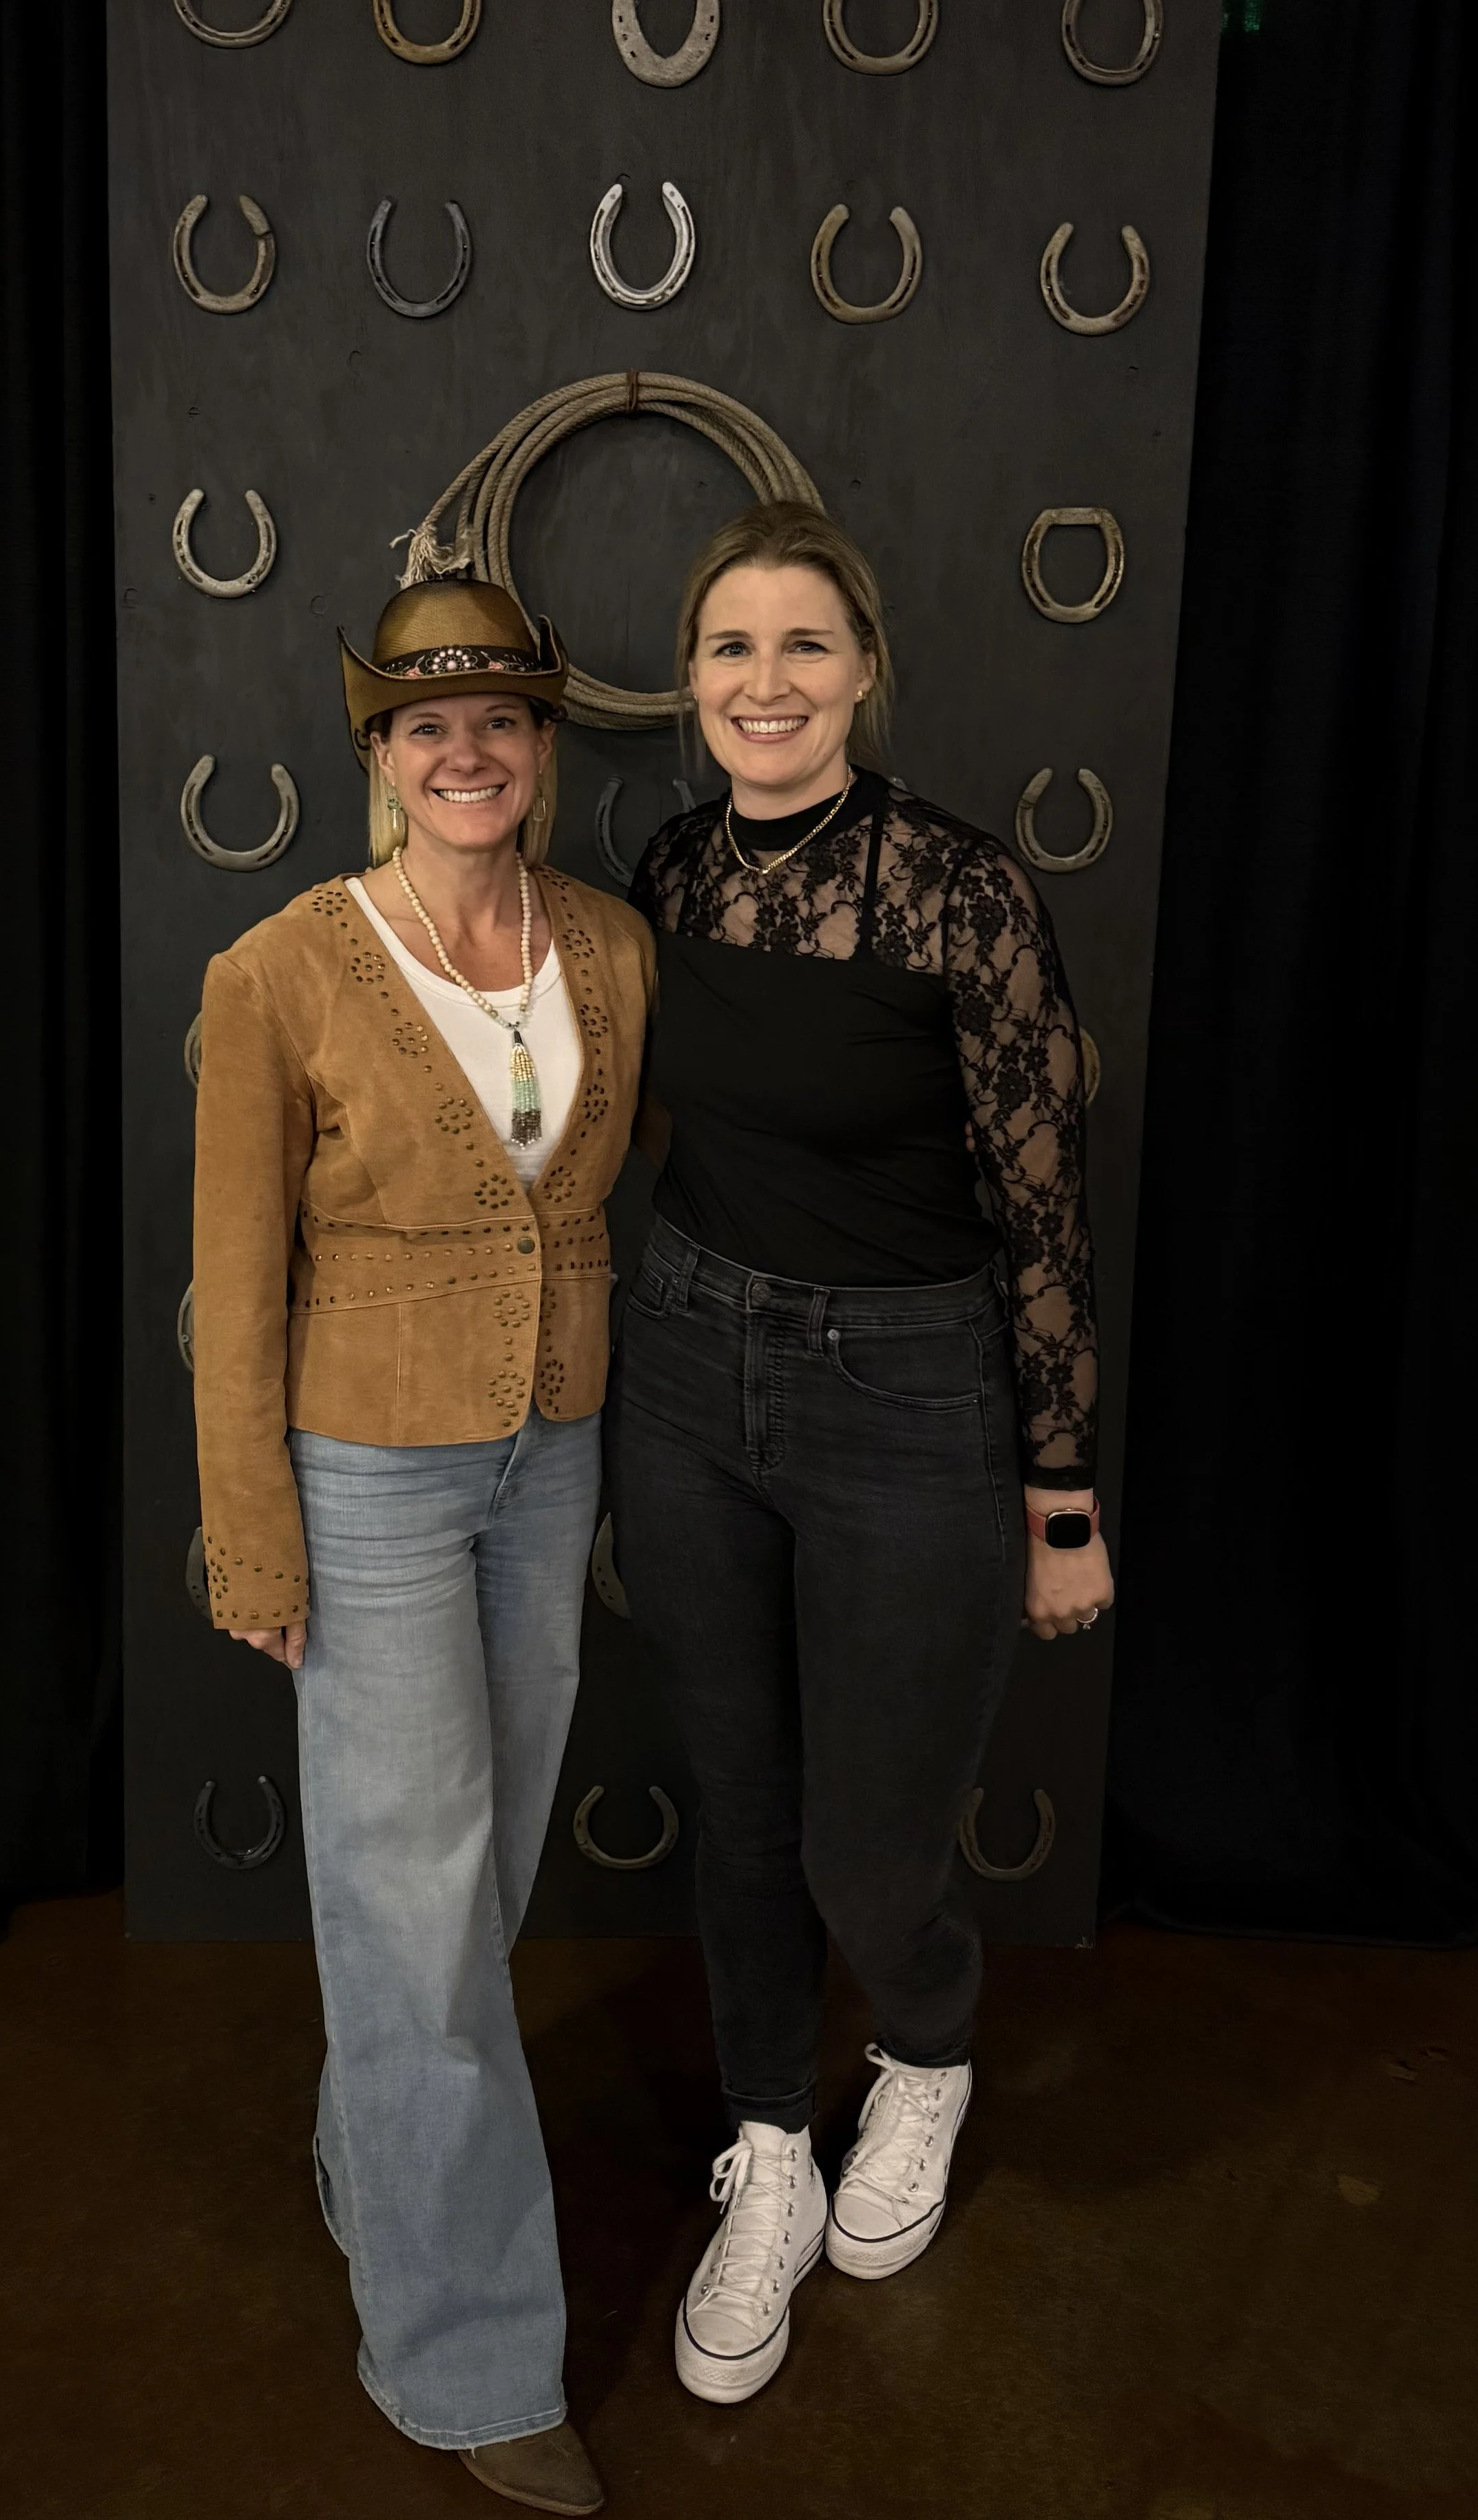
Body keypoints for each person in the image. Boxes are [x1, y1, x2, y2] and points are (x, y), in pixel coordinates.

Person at [604, 502, 1113, 2407]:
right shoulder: (669, 866)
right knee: (740, 1810)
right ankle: (768, 2147)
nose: (765, 682)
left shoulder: (960, 890)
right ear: (692, 679)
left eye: (802, 643)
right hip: (686, 1376)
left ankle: (925, 2054)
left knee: (869, 1843)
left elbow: (1042, 1210)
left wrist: (1060, 1495)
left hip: (908, 1399)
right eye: (730, 646)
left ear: (864, 669)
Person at [191, 576, 653, 2517]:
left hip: (550, 1459)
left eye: (500, 720)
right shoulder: (279, 971)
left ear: (542, 744)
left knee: (476, 1877)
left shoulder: (611, 945)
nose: (467, 751)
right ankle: (467, 2354)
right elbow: (233, 1283)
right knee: (414, 1899)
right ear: (379, 755)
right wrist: (254, 1542)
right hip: (366, 1476)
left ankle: (374, 2159)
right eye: (425, 725)